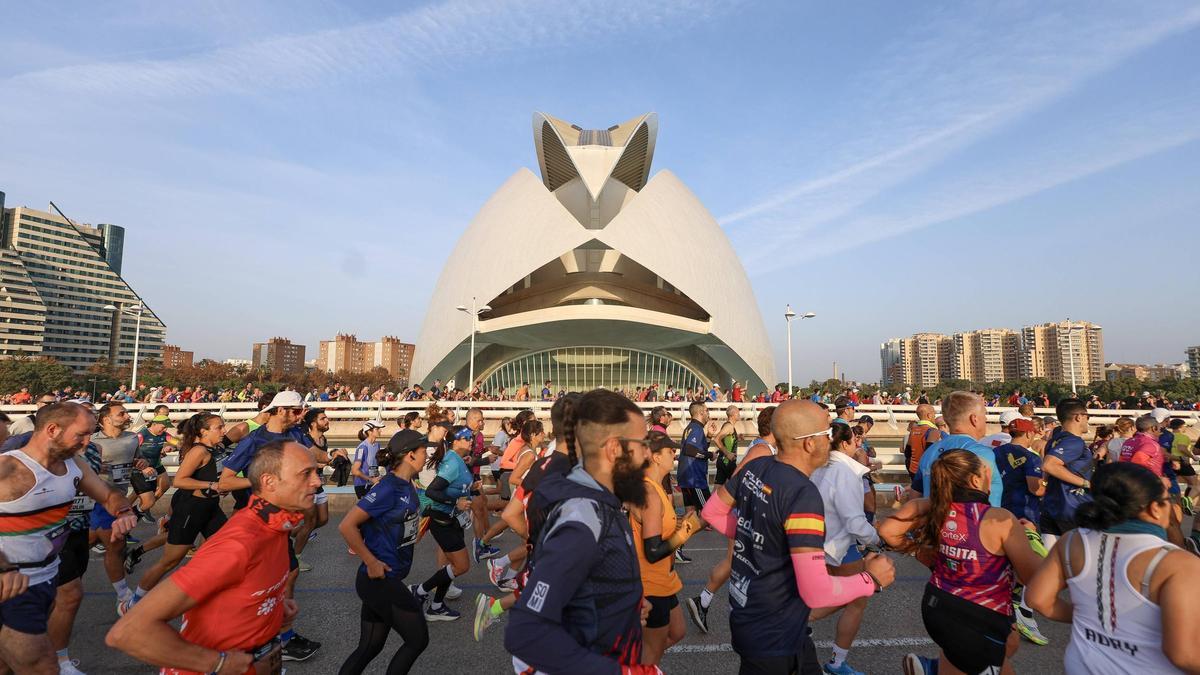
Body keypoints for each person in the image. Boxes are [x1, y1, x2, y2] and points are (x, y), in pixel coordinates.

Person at [702, 400, 895, 674]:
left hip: (756, 618)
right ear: (809, 443)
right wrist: (871, 579)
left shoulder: (755, 467)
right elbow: (816, 592)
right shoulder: (802, 494)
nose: (831, 441)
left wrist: (763, 537)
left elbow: (712, 511)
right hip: (774, 634)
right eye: (826, 434)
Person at [106, 440, 320, 675]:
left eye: (316, 472)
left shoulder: (276, 526)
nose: (317, 481)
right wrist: (217, 663)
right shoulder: (239, 544)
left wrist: (273, 612)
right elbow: (128, 631)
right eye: (306, 474)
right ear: (269, 481)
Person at [505, 389, 661, 674]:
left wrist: (623, 604)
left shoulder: (602, 504)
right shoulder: (584, 518)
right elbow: (526, 630)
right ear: (614, 449)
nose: (649, 455)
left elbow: (586, 586)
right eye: (642, 444)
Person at [0, 402, 138, 675]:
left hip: (46, 577)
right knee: (44, 667)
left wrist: (122, 510)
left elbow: (108, 494)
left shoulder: (74, 465)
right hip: (13, 585)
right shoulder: (8, 469)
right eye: (81, 435)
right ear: (52, 430)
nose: (88, 442)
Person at [1026, 462, 1200, 673]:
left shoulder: (1072, 541)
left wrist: (1089, 614)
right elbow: (1184, 654)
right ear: (1155, 508)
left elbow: (1037, 599)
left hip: (1081, 667)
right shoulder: (1178, 563)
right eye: (1168, 501)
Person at [880, 450, 1043, 675]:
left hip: (937, 606)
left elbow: (888, 531)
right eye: (989, 474)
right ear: (976, 480)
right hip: (979, 616)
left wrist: (921, 553)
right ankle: (933, 671)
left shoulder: (935, 508)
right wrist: (1031, 538)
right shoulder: (1000, 518)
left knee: (1010, 641)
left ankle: (934, 668)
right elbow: (1033, 577)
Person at [216, 390, 320, 662]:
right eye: (297, 412)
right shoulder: (254, 439)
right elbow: (225, 481)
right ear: (281, 410)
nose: (301, 417)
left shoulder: (296, 435)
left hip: (281, 520)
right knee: (261, 582)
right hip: (258, 521)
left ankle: (280, 635)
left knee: (289, 574)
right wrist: (263, 484)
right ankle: (258, 640)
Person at [337, 432, 429, 674]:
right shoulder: (389, 487)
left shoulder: (407, 485)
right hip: (379, 579)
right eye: (423, 451)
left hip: (386, 578)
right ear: (410, 455)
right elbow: (347, 525)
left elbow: (396, 524)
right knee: (418, 639)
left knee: (369, 647)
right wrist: (371, 561)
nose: (427, 455)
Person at [121, 413, 229, 614]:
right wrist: (213, 485)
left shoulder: (216, 448)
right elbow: (179, 481)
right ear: (203, 431)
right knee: (170, 560)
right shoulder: (198, 451)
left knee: (225, 552)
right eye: (219, 427)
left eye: (223, 427)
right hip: (191, 509)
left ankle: (209, 596)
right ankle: (133, 603)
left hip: (211, 508)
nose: (224, 431)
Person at [686, 405, 777, 634]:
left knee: (732, 563)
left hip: (747, 514)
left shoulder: (764, 447)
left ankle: (703, 601)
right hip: (748, 515)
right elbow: (738, 479)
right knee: (753, 565)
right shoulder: (763, 450)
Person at [809, 422, 881, 675]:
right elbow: (854, 521)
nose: (858, 444)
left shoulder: (818, 466)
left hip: (814, 541)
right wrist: (878, 539)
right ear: (845, 443)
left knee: (829, 593)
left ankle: (797, 621)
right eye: (855, 440)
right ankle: (836, 662)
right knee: (856, 597)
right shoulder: (846, 472)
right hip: (839, 545)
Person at [629, 431, 701, 665]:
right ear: (656, 457)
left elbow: (657, 529)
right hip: (651, 582)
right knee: (650, 655)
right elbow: (652, 552)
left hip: (664, 579)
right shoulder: (649, 493)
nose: (675, 456)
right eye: (671, 451)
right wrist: (687, 530)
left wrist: (680, 526)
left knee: (677, 632)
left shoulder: (654, 487)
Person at [991, 417, 1049, 646]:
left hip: (1000, 512)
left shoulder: (996, 451)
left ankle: (1003, 611)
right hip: (1025, 516)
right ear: (1028, 434)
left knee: (1006, 563)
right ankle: (1019, 610)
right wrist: (1051, 482)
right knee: (1034, 564)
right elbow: (1036, 489)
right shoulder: (1031, 457)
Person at [410, 425, 476, 621]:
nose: (471, 440)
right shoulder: (453, 462)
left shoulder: (457, 459)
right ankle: (420, 591)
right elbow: (432, 491)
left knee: (450, 566)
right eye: (467, 437)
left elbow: (453, 485)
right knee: (461, 566)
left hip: (453, 518)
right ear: (455, 441)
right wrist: (457, 501)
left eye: (471, 437)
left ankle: (436, 606)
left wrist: (470, 490)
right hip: (442, 519)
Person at [90, 402, 148, 615]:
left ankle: (55, 581)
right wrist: (95, 466)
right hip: (95, 498)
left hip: (118, 498)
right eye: (121, 413)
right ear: (106, 419)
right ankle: (123, 597)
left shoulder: (131, 438)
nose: (126, 416)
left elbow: (138, 458)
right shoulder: (92, 441)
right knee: (115, 544)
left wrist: (141, 462)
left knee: (97, 544)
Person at [911, 391, 1002, 506]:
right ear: (974, 419)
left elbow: (915, 498)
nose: (986, 419)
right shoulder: (981, 453)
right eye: (984, 415)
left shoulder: (930, 452)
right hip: (976, 522)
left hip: (935, 521)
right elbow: (985, 508)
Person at [1040, 398, 1094, 547]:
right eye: (1087, 416)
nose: (1087, 420)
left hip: (1051, 507)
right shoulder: (1074, 441)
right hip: (1073, 508)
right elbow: (1049, 465)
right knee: (1080, 563)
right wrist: (1087, 483)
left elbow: (1046, 474)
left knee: (1051, 561)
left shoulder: (1054, 440)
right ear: (1078, 417)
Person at [292, 408, 333, 572]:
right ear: (313, 423)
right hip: (305, 487)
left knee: (322, 519)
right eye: (323, 418)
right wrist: (324, 462)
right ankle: (296, 559)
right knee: (309, 523)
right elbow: (302, 462)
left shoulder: (324, 439)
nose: (327, 420)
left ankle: (291, 534)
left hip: (318, 485)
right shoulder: (304, 439)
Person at [676, 401, 714, 564]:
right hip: (694, 478)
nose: (709, 414)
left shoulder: (692, 428)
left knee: (690, 512)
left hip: (687, 476)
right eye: (707, 411)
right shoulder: (697, 428)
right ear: (700, 412)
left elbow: (696, 448)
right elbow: (690, 450)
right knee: (709, 515)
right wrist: (709, 455)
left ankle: (676, 547)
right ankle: (675, 543)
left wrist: (710, 439)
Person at [132, 415, 179, 518]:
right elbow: (131, 451)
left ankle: (145, 508)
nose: (165, 429)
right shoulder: (142, 435)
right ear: (154, 424)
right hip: (141, 467)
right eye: (163, 427)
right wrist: (140, 465)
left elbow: (177, 442)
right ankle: (125, 511)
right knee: (136, 493)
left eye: (166, 427)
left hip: (156, 464)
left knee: (165, 485)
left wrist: (171, 446)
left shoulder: (165, 435)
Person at [903, 404, 942, 485]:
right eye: (934, 414)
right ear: (929, 415)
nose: (934, 416)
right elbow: (930, 454)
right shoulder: (933, 431)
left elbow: (907, 453)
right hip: (926, 472)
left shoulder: (913, 430)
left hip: (913, 470)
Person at [352, 421, 386, 499]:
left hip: (374, 483)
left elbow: (374, 464)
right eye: (377, 429)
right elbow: (354, 470)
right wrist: (371, 479)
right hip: (362, 485)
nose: (380, 431)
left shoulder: (377, 445)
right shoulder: (362, 447)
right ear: (370, 431)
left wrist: (377, 477)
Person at [714, 406, 741, 487]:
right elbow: (717, 439)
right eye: (738, 412)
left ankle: (712, 500)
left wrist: (738, 438)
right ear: (733, 414)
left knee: (718, 489)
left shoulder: (729, 426)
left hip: (723, 461)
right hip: (727, 462)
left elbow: (727, 441)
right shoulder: (729, 426)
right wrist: (727, 454)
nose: (739, 414)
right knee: (738, 487)